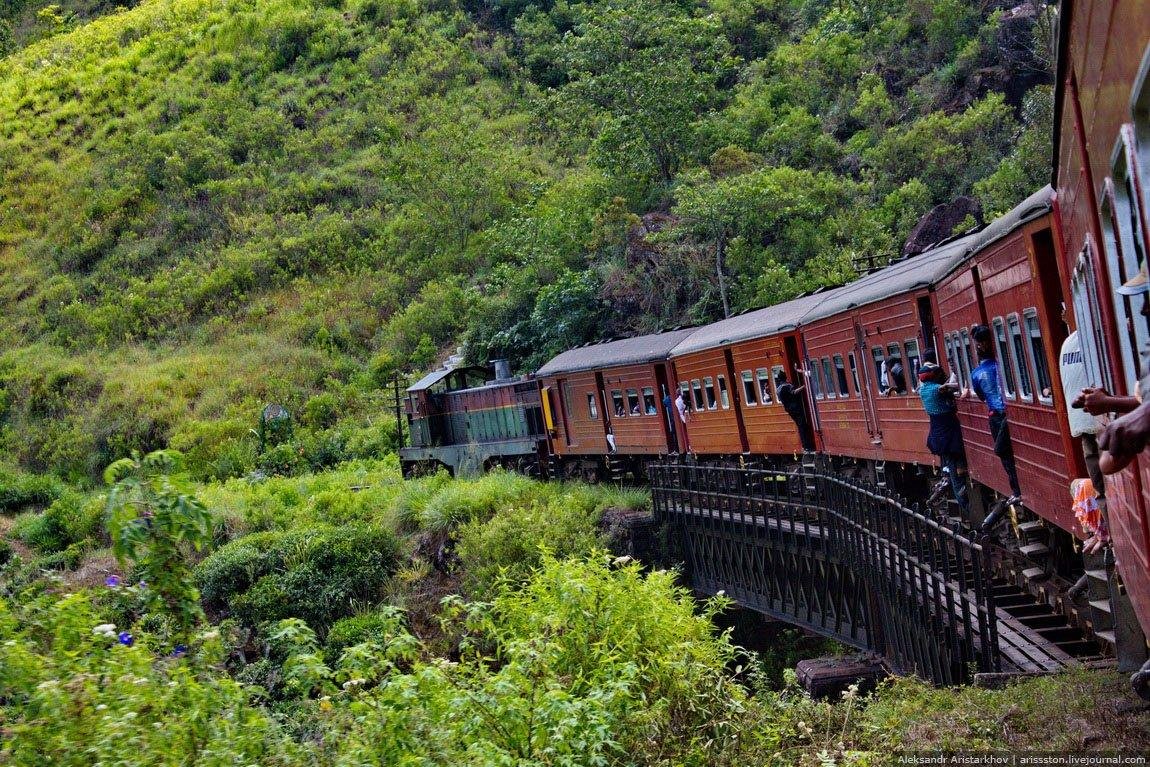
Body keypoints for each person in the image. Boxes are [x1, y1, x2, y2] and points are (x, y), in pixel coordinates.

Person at [970, 324, 1023, 500]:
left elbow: (982, 396)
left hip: (996, 417)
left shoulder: (977, 374)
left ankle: (1017, 490)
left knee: (1003, 452)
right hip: (1009, 413)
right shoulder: (1002, 365)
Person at [918, 361, 970, 513]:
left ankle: (965, 504)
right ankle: (966, 505)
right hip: (948, 431)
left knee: (953, 469)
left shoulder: (923, 390)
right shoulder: (936, 389)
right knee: (957, 471)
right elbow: (951, 388)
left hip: (938, 431)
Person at [777, 368, 815, 452]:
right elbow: (793, 392)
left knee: (800, 425)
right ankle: (807, 445)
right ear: (785, 377)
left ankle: (806, 445)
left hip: (789, 409)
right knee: (802, 425)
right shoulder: (786, 386)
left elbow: (780, 400)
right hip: (795, 408)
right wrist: (803, 387)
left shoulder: (778, 388)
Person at [674, 388, 692, 453]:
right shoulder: (680, 401)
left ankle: (690, 445)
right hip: (684, 415)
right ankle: (690, 445)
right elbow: (682, 407)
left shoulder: (676, 401)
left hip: (682, 415)